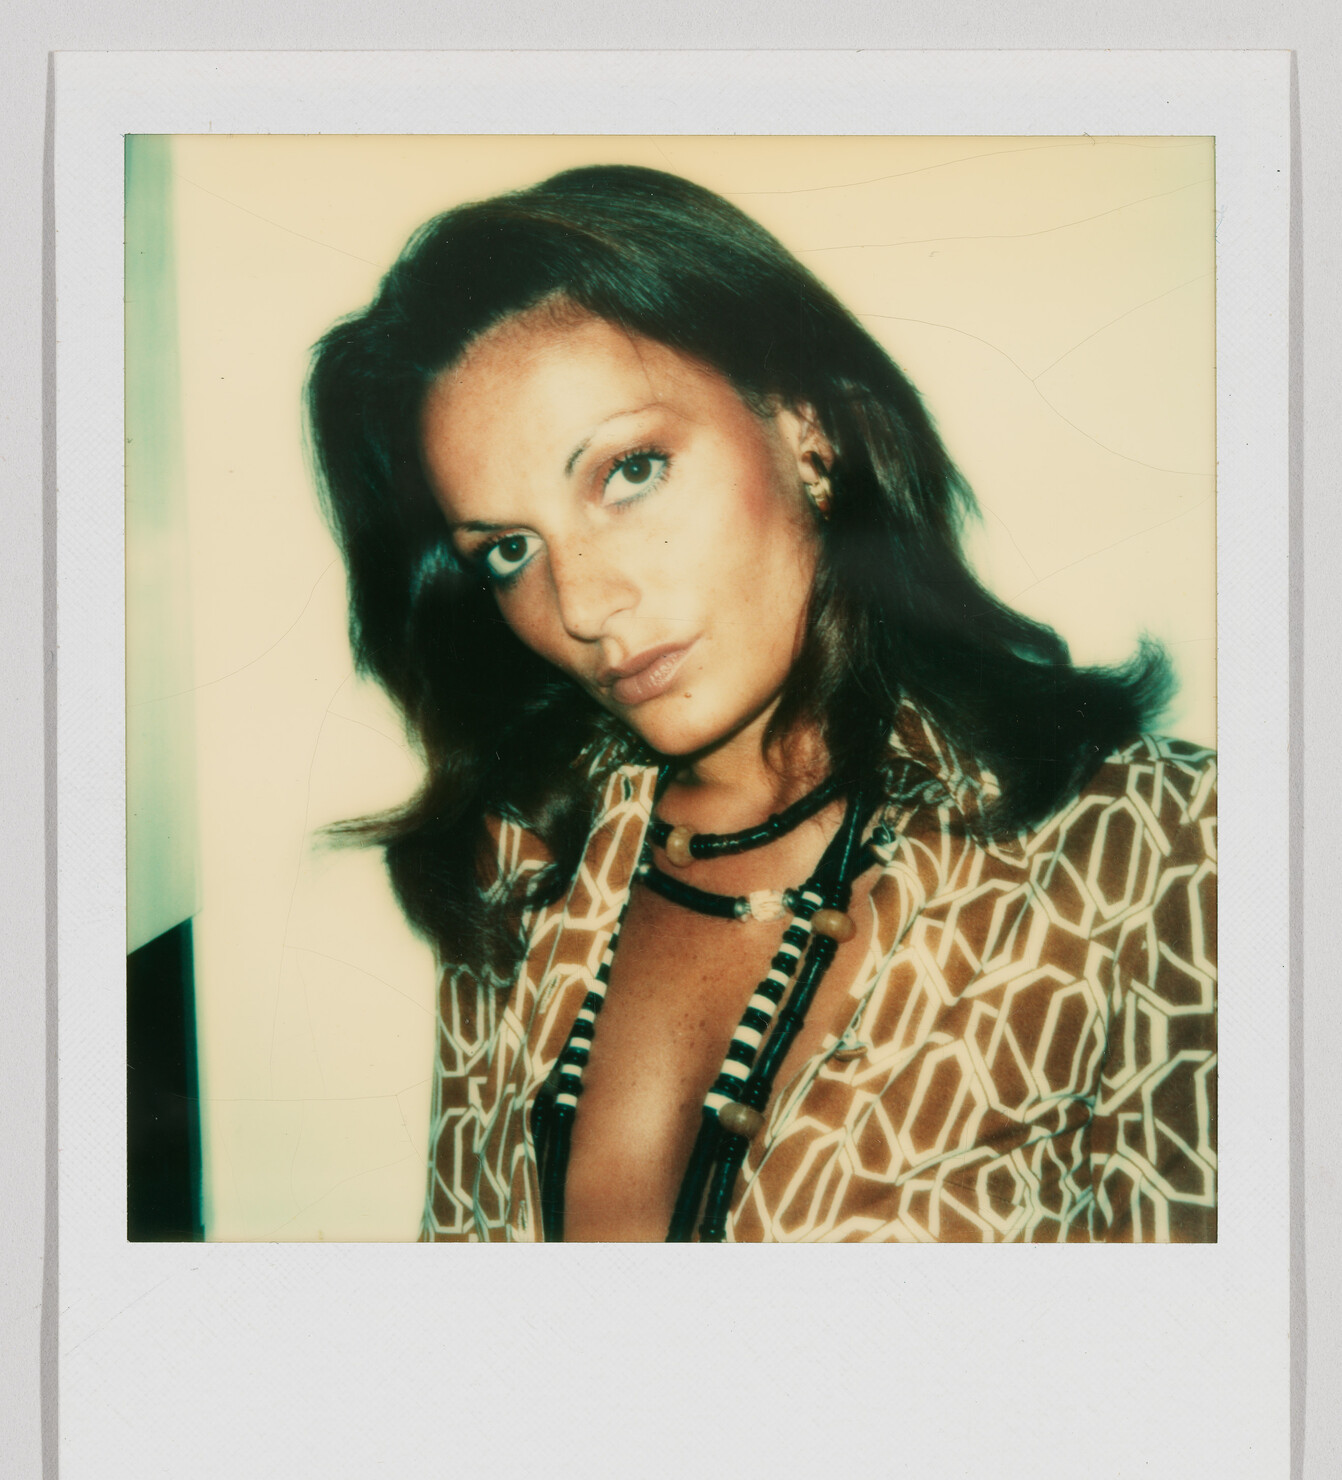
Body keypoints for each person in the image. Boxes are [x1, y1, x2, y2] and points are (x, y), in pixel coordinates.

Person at [306, 164, 1217, 1244]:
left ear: (807, 428)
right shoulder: (527, 856)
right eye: (508, 549)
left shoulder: (1145, 846)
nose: (586, 604)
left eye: (629, 470)